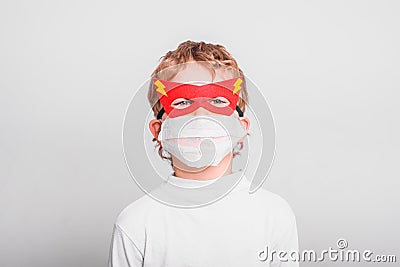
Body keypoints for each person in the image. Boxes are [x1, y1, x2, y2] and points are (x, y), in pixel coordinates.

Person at [108, 40, 299, 266]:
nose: (200, 113)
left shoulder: (274, 215)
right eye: (181, 102)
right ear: (159, 130)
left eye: (218, 101)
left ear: (241, 127)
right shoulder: (136, 225)